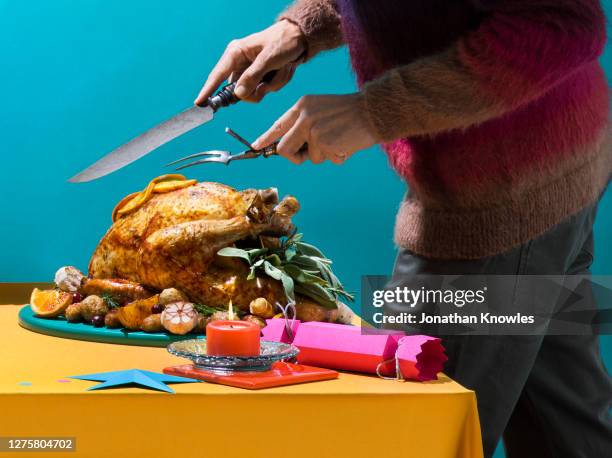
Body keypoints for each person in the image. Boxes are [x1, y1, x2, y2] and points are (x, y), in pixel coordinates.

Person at [196, 1, 612, 456]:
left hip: (498, 207)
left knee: (400, 432)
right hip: (565, 170)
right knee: (565, 430)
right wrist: (304, 27)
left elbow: (563, 26)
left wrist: (373, 110)